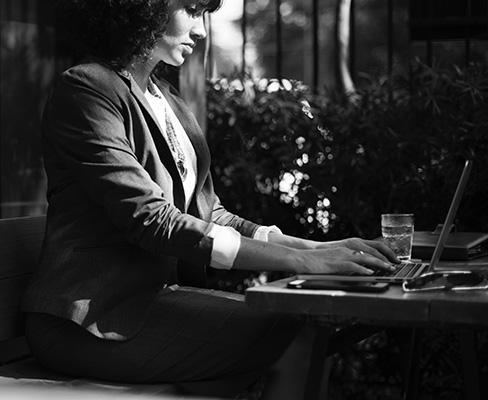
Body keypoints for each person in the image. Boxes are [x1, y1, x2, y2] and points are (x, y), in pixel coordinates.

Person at [20, 0, 400, 398]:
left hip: (151, 305)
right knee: (295, 336)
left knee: (304, 328)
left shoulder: (165, 97)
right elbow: (152, 220)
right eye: (191, 8)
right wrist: (303, 261)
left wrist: (314, 247)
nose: (201, 30)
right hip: (88, 321)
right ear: (143, 7)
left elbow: (209, 213)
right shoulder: (87, 88)